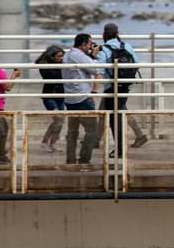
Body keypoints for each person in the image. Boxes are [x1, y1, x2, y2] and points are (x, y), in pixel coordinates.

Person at [95, 23, 149, 152]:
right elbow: (136, 63)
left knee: (113, 114)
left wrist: (94, 89)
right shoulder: (127, 46)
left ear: (104, 35)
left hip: (111, 87)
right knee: (113, 110)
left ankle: (117, 146)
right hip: (125, 85)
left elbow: (100, 70)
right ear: (117, 34)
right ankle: (95, 140)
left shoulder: (104, 50)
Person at [61, 33, 104, 165]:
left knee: (73, 130)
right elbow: (95, 68)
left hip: (70, 97)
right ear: (83, 44)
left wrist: (90, 57)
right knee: (92, 130)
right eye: (90, 44)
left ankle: (70, 158)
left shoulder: (68, 54)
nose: (91, 46)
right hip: (82, 97)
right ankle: (84, 158)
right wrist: (95, 56)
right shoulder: (78, 55)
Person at [37, 44, 67, 152]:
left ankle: (52, 143)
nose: (61, 59)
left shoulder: (61, 64)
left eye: (62, 56)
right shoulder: (45, 66)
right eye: (59, 56)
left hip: (61, 95)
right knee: (58, 119)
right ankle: (45, 142)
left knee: (60, 120)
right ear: (52, 57)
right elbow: (53, 77)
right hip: (49, 95)